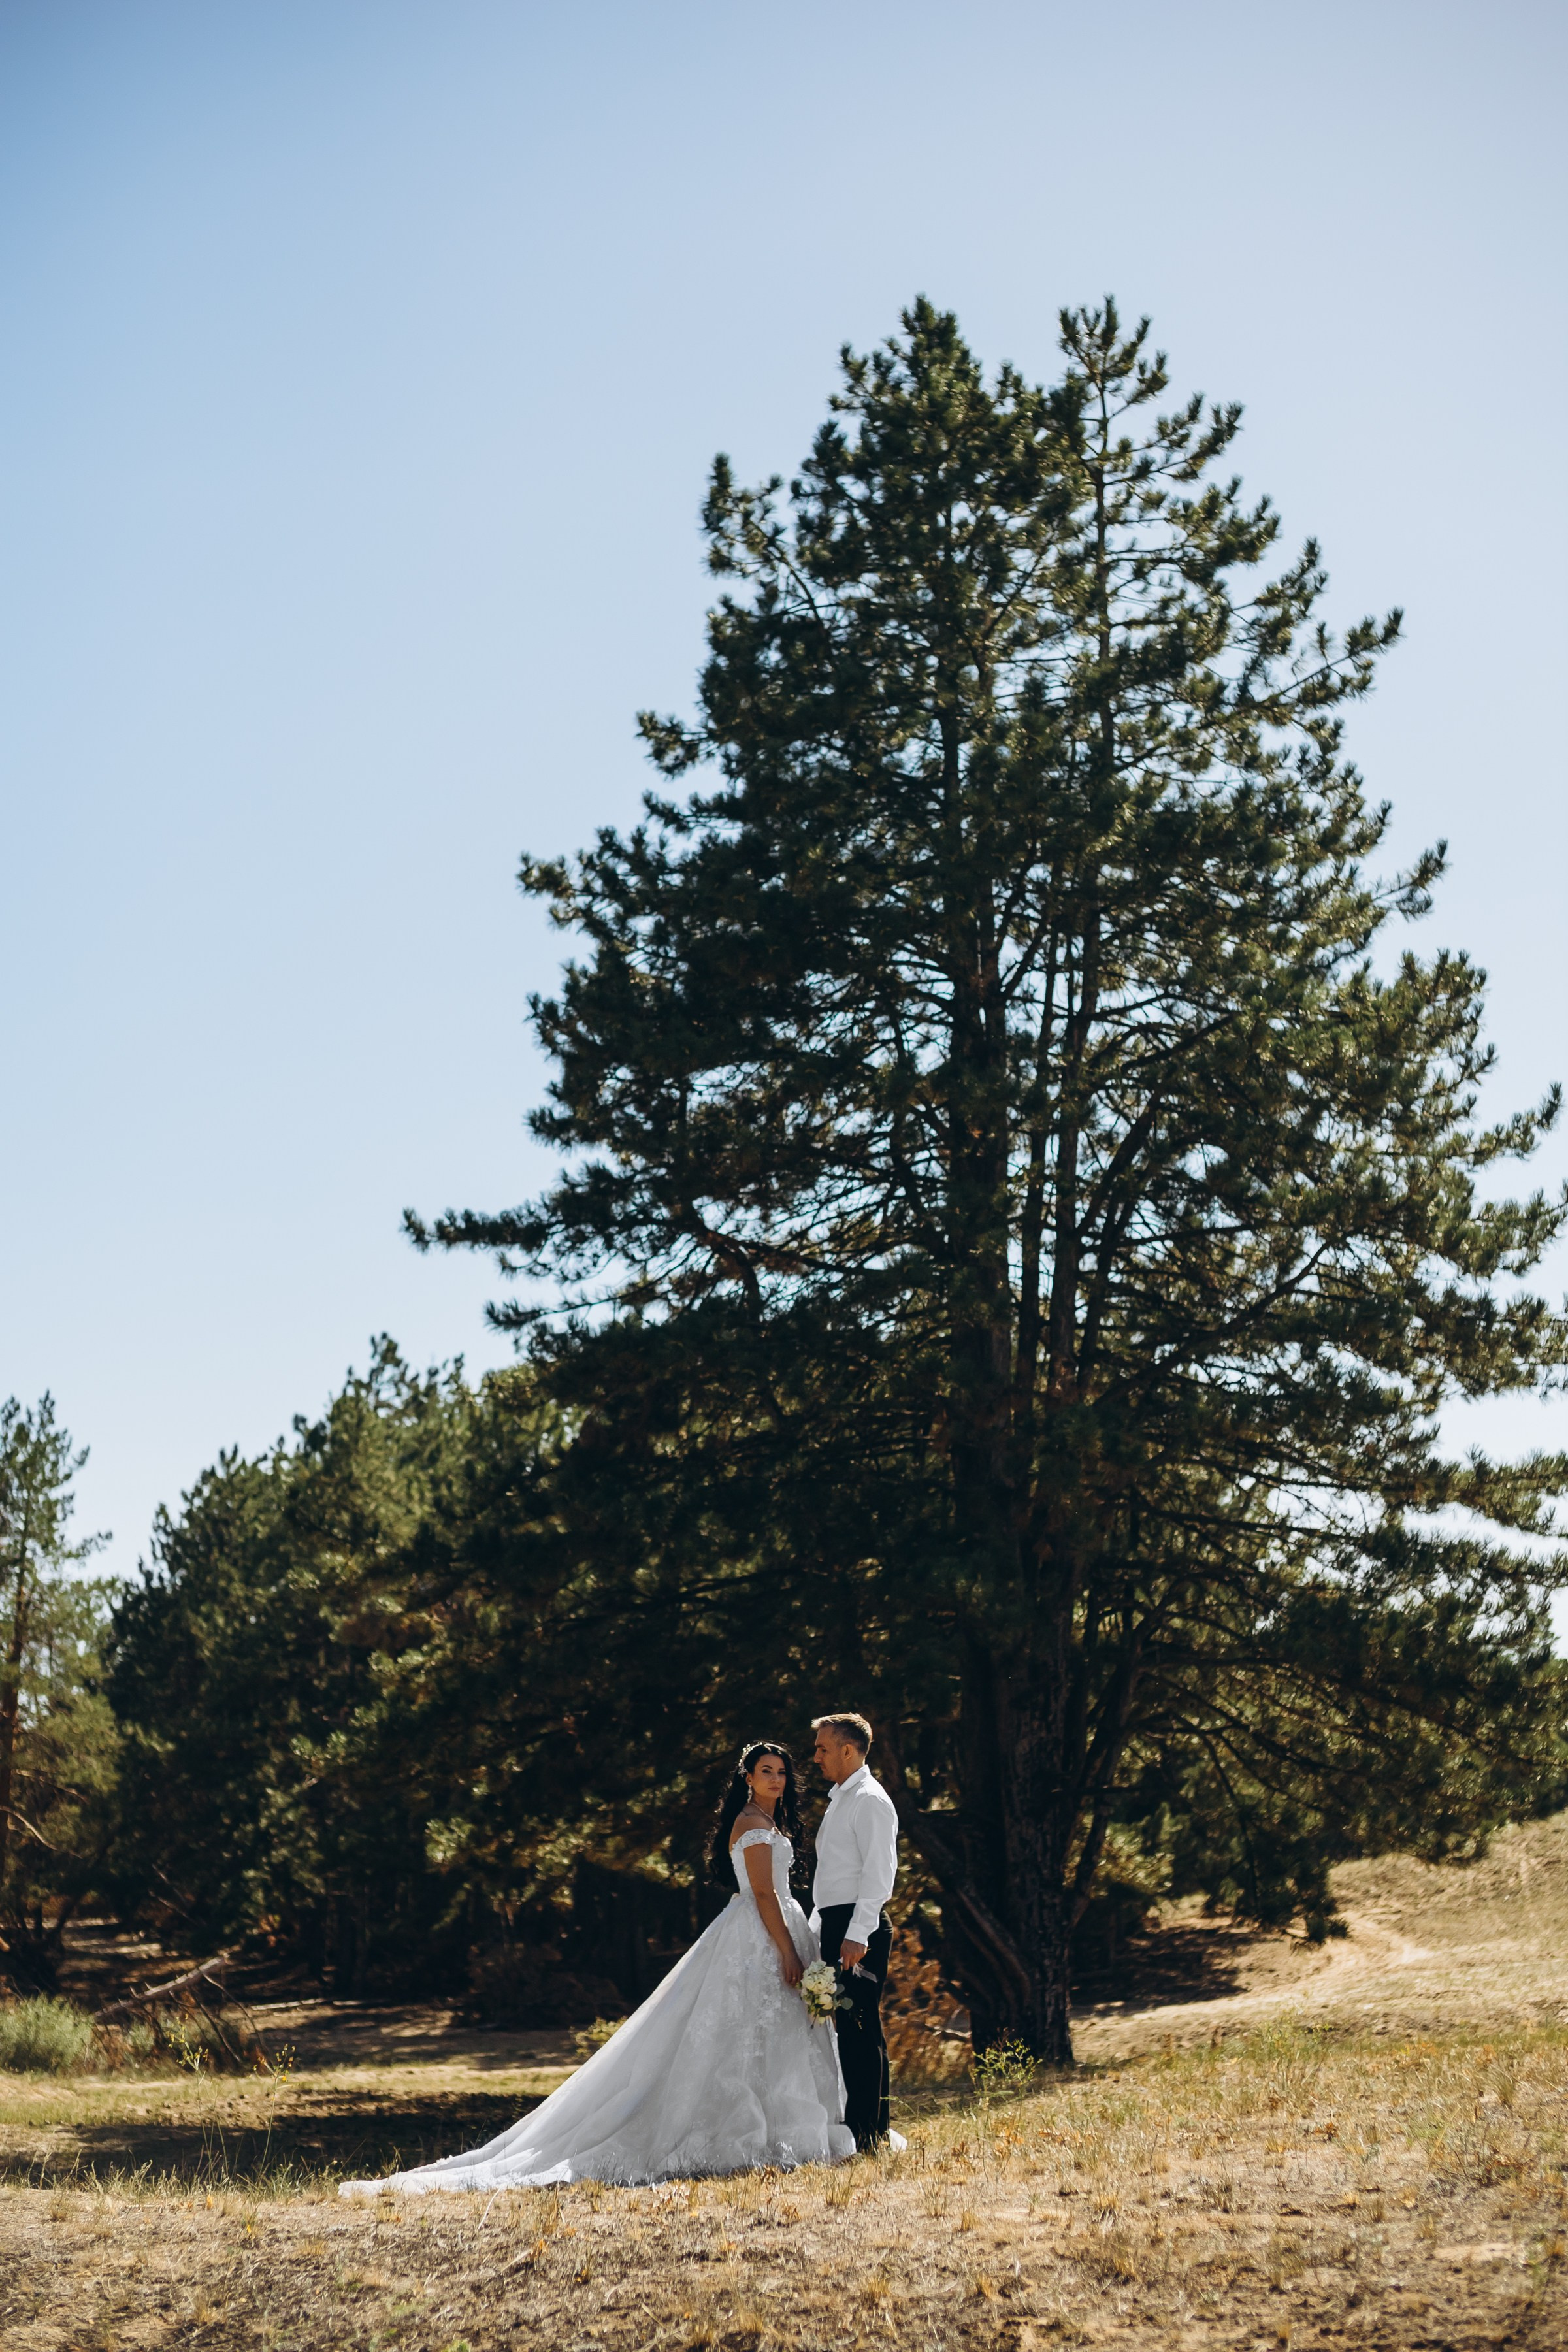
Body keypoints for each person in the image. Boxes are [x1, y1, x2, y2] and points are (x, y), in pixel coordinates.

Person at [339, 1740, 853, 2195]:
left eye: (782, 1772)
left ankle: (786, 2127)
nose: (776, 1779)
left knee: (773, 2033)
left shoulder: (769, 1822)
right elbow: (763, 1891)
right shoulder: (751, 1823)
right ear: (747, 1778)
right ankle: (745, 2132)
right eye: (766, 1771)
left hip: (775, 1924)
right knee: (740, 2032)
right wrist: (786, 1949)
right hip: (760, 1932)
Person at [810, 1711, 900, 2150]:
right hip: (837, 1924)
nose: (816, 1757)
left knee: (861, 2029)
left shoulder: (869, 1799)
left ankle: (870, 2134)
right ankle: (864, 2129)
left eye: (823, 1748)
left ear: (848, 1750)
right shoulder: (842, 1798)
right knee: (850, 2028)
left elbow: (879, 1876)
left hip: (856, 1928)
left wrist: (858, 1934)